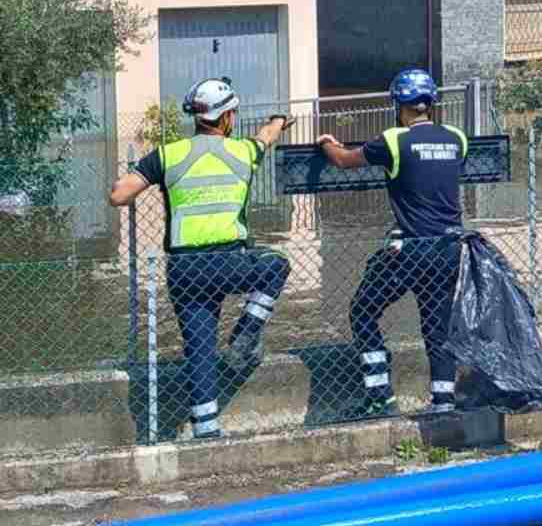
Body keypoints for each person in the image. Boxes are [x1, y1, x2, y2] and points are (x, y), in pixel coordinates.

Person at [109, 78, 293, 440]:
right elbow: (266, 137)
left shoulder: (168, 154)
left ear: (196, 116)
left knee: (199, 349)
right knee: (277, 265)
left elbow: (119, 195)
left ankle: (206, 430)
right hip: (230, 264)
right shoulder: (243, 151)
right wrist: (278, 122)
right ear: (226, 118)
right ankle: (246, 332)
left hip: (185, 271)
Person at [317, 68, 467, 418]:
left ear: (398, 104)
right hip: (449, 249)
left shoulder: (394, 141)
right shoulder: (457, 138)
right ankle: (443, 402)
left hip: (410, 252)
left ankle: (379, 395)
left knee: (363, 310)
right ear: (431, 102)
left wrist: (327, 143)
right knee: (437, 326)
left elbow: (344, 160)